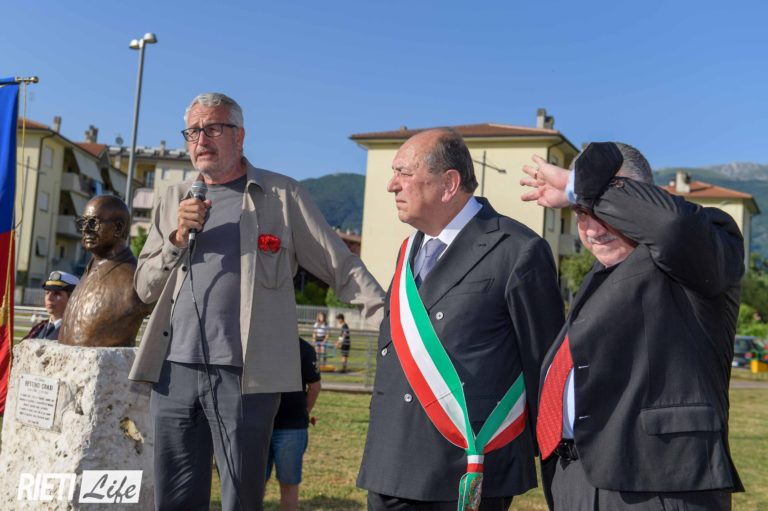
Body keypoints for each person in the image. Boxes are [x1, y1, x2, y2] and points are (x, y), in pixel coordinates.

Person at [128, 92, 385, 511]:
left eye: (213, 128)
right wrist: (176, 239)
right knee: (174, 498)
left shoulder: (282, 196)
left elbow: (340, 266)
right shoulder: (173, 199)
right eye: (192, 132)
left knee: (241, 498)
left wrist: (392, 321)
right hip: (173, 372)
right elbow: (143, 287)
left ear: (239, 136)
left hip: (247, 377)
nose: (201, 140)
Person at [520, 142, 744, 510]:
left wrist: (578, 187)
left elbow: (671, 227)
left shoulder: (698, 249)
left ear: (647, 197)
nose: (592, 228)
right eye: (581, 211)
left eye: (604, 206)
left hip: (658, 484)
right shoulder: (601, 273)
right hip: (580, 479)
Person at [357, 128, 564, 510]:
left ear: (449, 184)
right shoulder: (408, 250)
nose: (391, 185)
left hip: (464, 469)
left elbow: (545, 367)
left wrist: (557, 464)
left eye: (404, 172)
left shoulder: (517, 249)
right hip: (390, 462)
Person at [58, 195, 152, 347]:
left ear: (118, 228)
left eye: (93, 222)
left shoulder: (136, 279)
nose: (86, 229)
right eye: (83, 222)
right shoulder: (89, 271)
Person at [266, 338, 321, 511]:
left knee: (255, 485)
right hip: (281, 427)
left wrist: (304, 412)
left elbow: (314, 387)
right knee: (287, 486)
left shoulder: (303, 348)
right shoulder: (303, 347)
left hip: (278, 425)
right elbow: (315, 387)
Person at [22, 270, 79, 340]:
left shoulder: (76, 332)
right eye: (47, 293)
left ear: (72, 299)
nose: (49, 298)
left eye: (57, 294)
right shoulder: (38, 329)